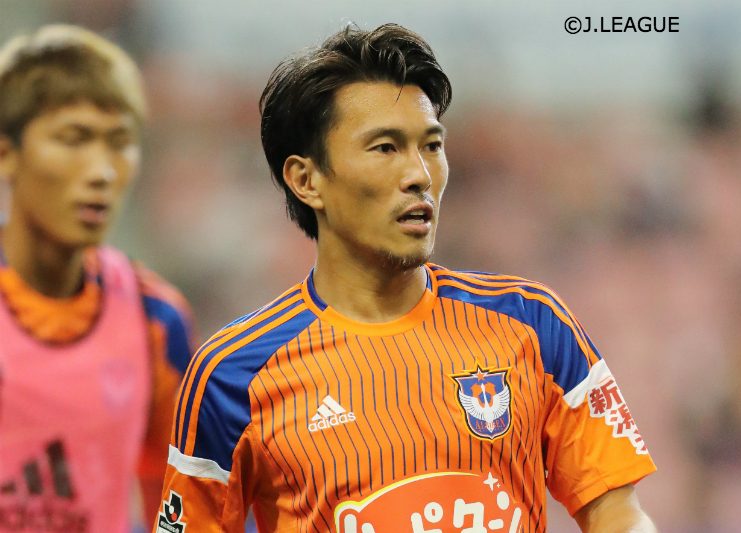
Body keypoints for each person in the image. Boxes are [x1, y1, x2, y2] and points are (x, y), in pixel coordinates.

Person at [158, 23, 656, 532]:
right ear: (306, 180)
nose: (419, 174)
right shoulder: (232, 375)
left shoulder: (533, 323)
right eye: (385, 148)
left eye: (432, 146)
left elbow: (617, 514)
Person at [0, 25, 193, 532]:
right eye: (75, 139)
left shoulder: (155, 320)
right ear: (6, 154)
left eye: (120, 143)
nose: (102, 172)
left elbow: (178, 505)